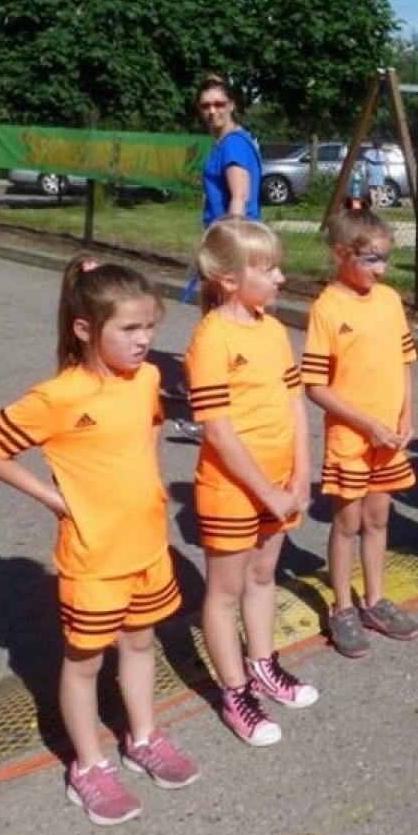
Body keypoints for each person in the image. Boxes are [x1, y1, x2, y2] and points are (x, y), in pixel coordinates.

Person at [0, 256, 198, 825]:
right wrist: (52, 498)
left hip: (147, 545)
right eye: (130, 329)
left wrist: (149, 491)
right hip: (93, 558)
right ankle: (88, 767)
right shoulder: (57, 396)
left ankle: (143, 737)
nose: (145, 341)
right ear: (85, 329)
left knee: (140, 645)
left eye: (150, 328)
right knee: (85, 662)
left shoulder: (146, 379)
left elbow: (147, 436)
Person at [186, 218, 316, 746]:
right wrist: (266, 491)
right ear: (227, 279)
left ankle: (263, 664)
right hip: (233, 489)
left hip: (281, 483)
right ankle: (235, 691)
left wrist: (302, 475)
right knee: (224, 592)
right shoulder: (210, 338)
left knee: (264, 577)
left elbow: (295, 404)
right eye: (268, 269)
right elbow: (217, 429)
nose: (281, 278)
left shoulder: (272, 330)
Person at [303, 209, 418, 659]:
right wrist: (366, 424)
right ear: (340, 254)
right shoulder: (327, 308)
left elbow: (405, 363)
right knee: (347, 523)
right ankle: (343, 607)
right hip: (352, 439)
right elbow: (315, 386)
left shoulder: (389, 301)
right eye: (371, 259)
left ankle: (375, 600)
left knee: (378, 519)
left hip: (389, 439)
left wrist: (406, 414)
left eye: (385, 259)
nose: (380, 269)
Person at [196, 74, 263, 227]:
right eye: (205, 106)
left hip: (234, 237)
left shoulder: (234, 144)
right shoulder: (225, 142)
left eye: (219, 104)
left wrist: (231, 243)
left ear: (231, 105)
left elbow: (239, 198)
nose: (212, 111)